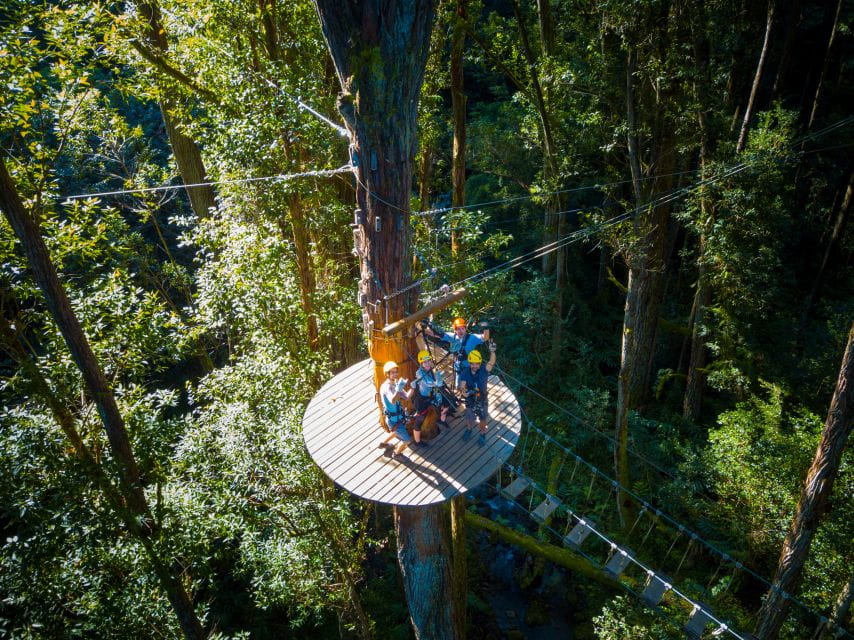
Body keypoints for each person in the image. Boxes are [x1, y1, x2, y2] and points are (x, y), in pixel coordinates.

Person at [379, 360, 423, 459]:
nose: (395, 374)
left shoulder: (395, 384)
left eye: (396, 372)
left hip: (399, 417)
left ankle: (383, 443)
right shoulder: (386, 388)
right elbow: (393, 400)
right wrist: (398, 389)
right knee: (407, 440)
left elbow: (406, 397)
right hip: (393, 420)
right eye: (392, 372)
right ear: (387, 374)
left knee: (396, 432)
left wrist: (412, 387)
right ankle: (397, 454)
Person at [423, 316, 489, 380]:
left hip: (471, 368)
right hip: (458, 368)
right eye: (458, 329)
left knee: (471, 388)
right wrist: (422, 329)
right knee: (459, 388)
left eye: (463, 328)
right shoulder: (453, 337)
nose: (461, 331)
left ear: (465, 329)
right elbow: (437, 334)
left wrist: (486, 327)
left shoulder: (472, 338)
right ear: (455, 330)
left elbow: (485, 338)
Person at [457, 340, 496, 446]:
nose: (474, 365)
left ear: (480, 363)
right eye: (472, 364)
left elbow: (491, 363)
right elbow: (462, 386)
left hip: (482, 397)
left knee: (482, 418)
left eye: (476, 363)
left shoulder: (484, 369)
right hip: (470, 397)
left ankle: (483, 433)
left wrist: (492, 352)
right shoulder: (465, 372)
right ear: (469, 363)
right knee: (469, 416)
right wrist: (463, 391)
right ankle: (469, 429)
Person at [411, 349, 451, 432]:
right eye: (424, 362)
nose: (427, 364)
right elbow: (428, 383)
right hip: (423, 397)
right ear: (421, 363)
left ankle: (441, 420)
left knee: (445, 404)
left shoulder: (430, 370)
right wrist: (437, 382)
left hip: (433, 393)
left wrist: (438, 376)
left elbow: (436, 381)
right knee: (422, 416)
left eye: (428, 361)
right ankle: (420, 430)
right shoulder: (419, 373)